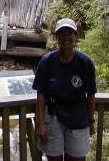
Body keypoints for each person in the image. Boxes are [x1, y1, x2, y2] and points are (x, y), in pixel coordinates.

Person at [32, 18, 97, 161]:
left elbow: (91, 94)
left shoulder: (85, 63)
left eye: (69, 33)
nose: (65, 37)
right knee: (53, 158)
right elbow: (41, 93)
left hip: (78, 117)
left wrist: (91, 122)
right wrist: (40, 122)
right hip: (53, 117)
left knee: (76, 157)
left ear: (75, 36)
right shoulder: (47, 61)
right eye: (61, 33)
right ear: (56, 36)